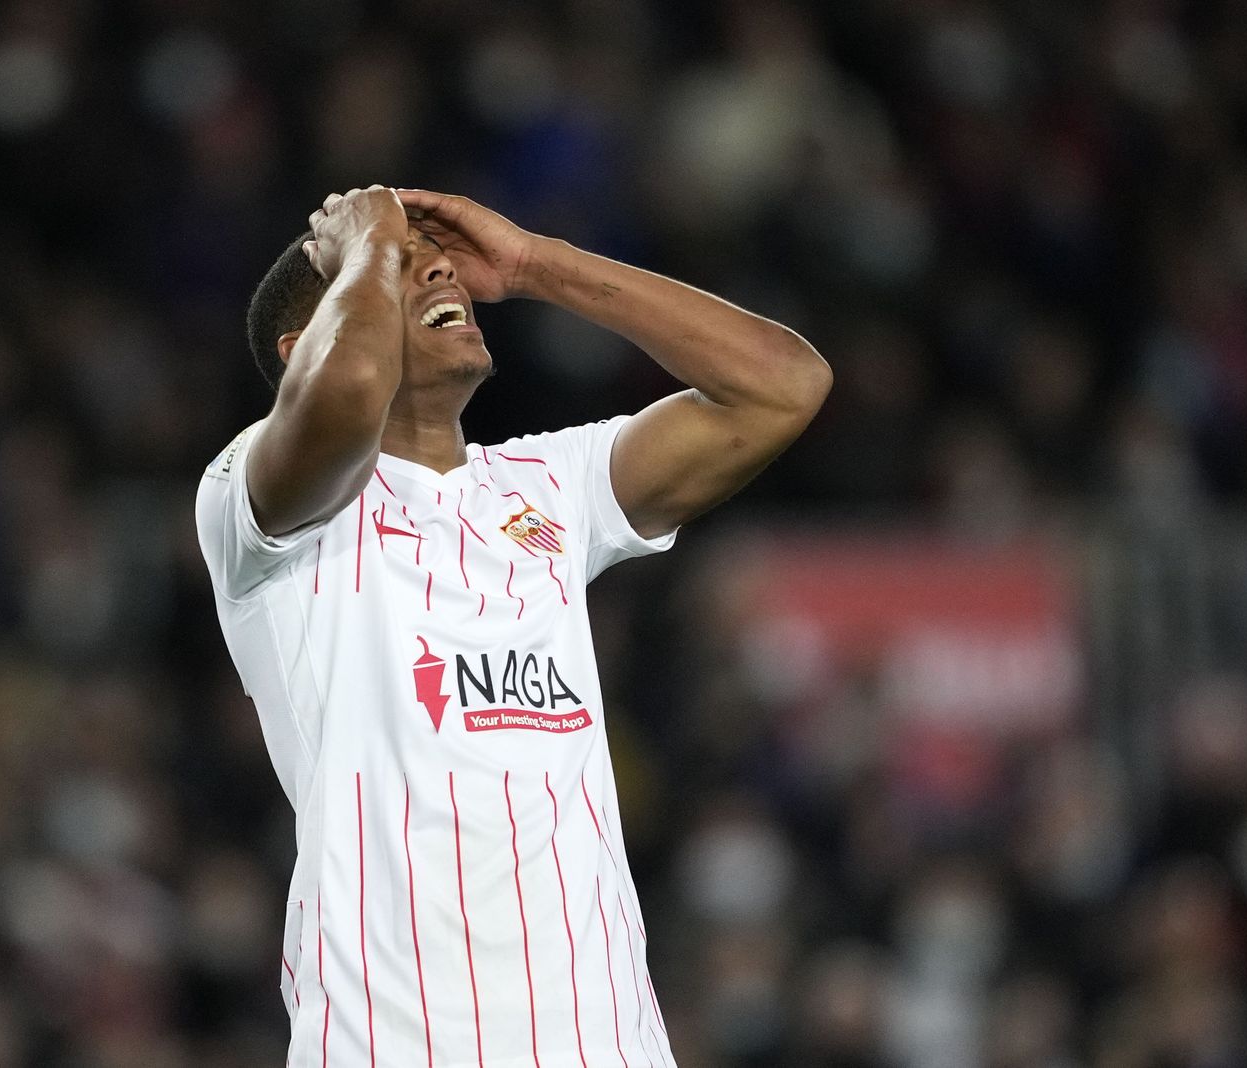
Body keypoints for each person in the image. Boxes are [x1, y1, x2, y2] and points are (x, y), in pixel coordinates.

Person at [196, 185, 830, 1068]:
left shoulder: (549, 486)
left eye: (434, 257)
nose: (436, 267)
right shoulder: (257, 504)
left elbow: (783, 385)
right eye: (401, 270)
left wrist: (538, 265)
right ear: (303, 348)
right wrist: (372, 238)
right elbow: (342, 394)